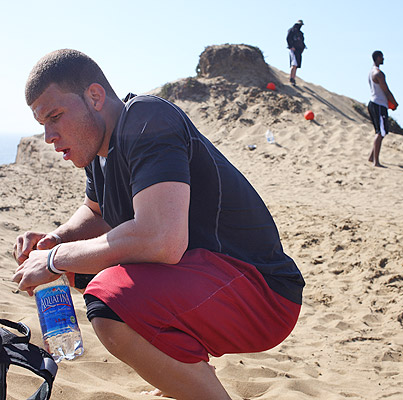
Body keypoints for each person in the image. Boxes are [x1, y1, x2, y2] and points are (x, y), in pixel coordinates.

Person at [12, 49, 305, 400]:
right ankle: (183, 379)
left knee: (109, 299)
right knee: (85, 271)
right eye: (42, 123)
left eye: (55, 116)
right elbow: (98, 212)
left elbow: (161, 241)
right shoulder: (98, 151)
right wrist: (56, 239)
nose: (48, 135)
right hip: (209, 281)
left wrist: (55, 258)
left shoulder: (147, 118)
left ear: (94, 96)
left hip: (261, 291)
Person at [367, 50, 398, 167]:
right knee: (380, 133)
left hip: (374, 103)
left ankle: (371, 157)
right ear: (378, 57)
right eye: (382, 57)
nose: (383, 59)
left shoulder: (371, 72)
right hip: (379, 105)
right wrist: (394, 103)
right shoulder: (378, 73)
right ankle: (376, 161)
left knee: (379, 132)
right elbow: (386, 90)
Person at [286, 19, 306, 86]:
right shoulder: (292, 30)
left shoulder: (300, 33)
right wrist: (291, 46)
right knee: (293, 64)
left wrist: (303, 48)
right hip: (293, 49)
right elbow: (288, 38)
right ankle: (291, 78)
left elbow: (302, 41)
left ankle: (293, 78)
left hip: (299, 50)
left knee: (296, 65)